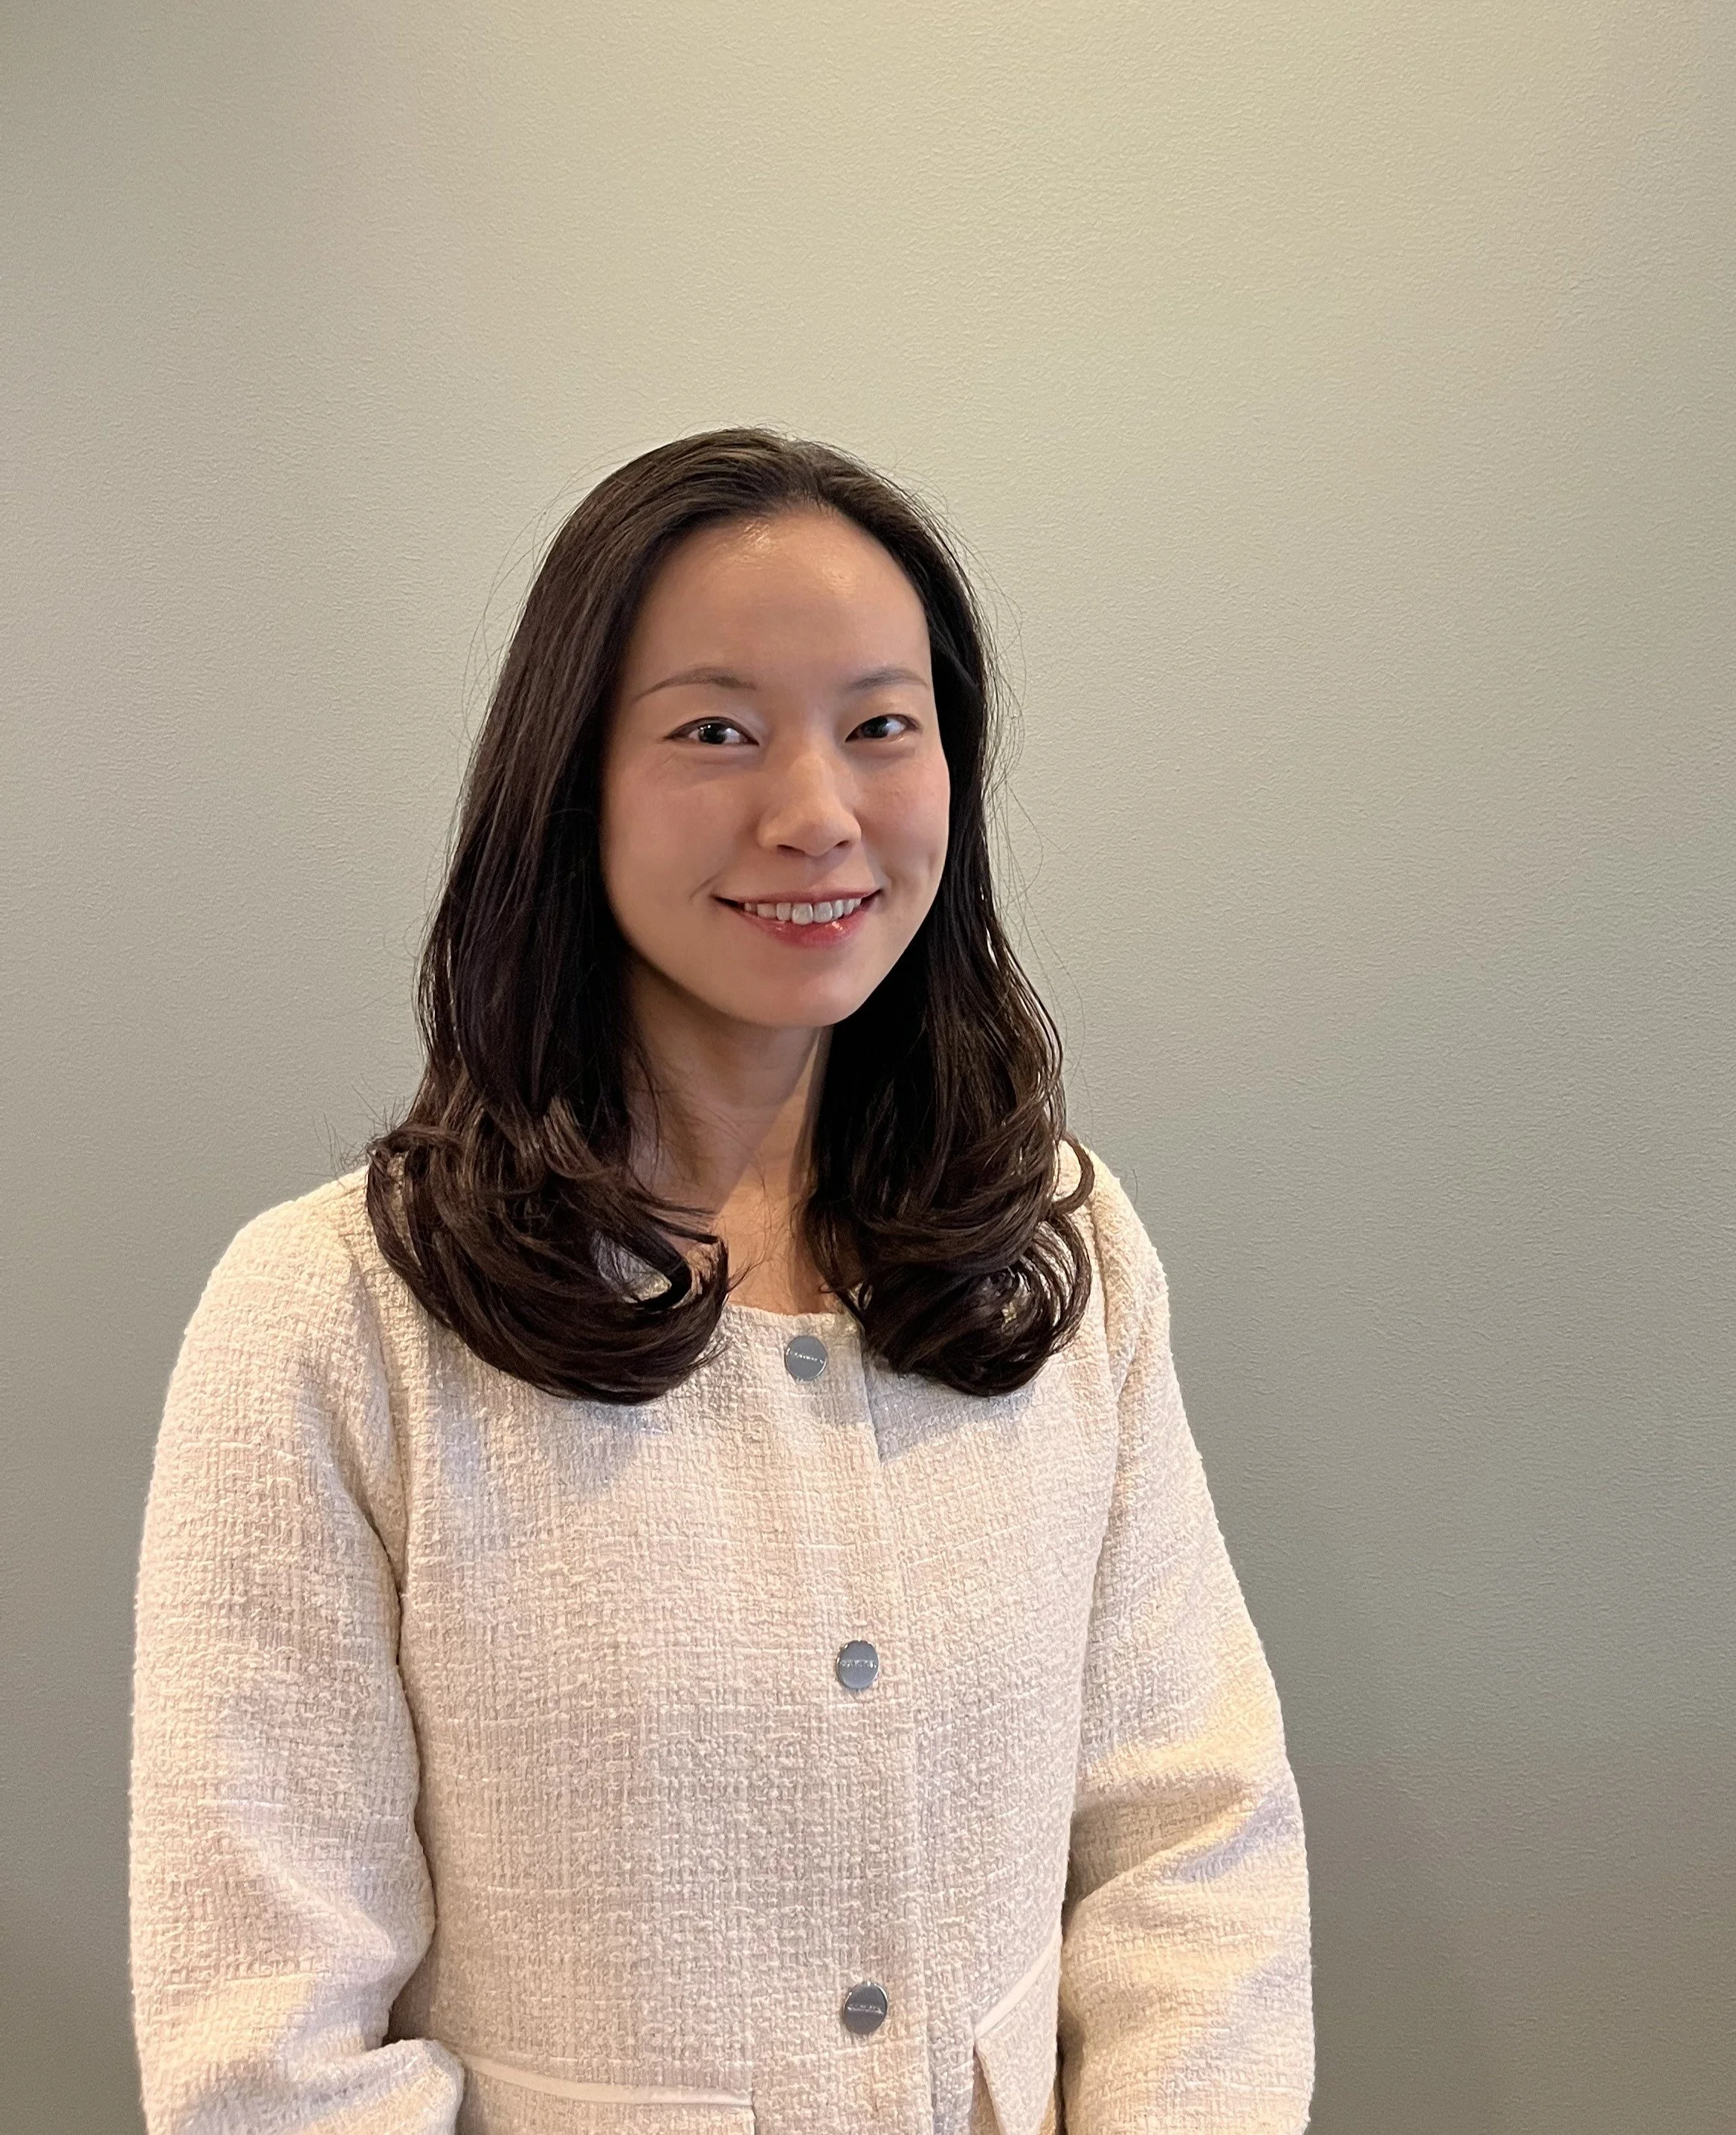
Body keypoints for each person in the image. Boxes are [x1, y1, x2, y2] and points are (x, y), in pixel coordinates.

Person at [129, 428, 1314, 2134]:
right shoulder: (334, 1319)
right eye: (716, 731)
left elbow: (1188, 1833)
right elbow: (270, 2054)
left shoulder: (1057, 1240)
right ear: (569, 784)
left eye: (882, 725)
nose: (818, 809)